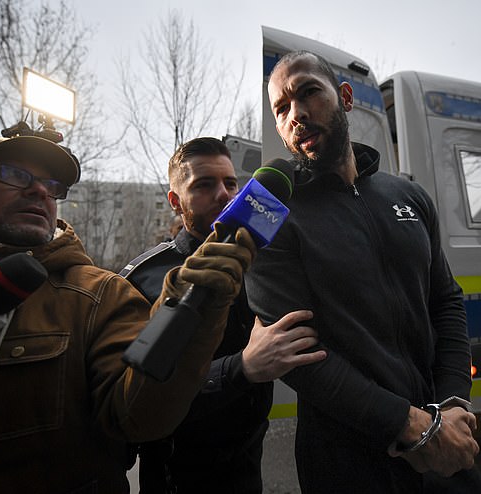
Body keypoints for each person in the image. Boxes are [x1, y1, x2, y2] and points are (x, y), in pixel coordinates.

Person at [0, 134, 256, 493]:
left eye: (51, 185)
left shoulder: (101, 295)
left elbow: (138, 415)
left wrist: (193, 313)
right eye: (13, 174)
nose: (40, 192)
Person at [245, 51, 481, 493]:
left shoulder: (409, 196)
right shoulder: (270, 214)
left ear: (345, 97)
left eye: (308, 93)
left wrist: (452, 405)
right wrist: (408, 424)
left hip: (442, 442)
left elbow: (446, 301)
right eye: (281, 109)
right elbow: (300, 357)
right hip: (347, 461)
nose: (296, 114)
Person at [120, 137, 327, 493]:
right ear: (175, 201)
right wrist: (242, 368)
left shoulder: (262, 265)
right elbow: (136, 400)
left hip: (249, 472)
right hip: (174, 480)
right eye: (203, 185)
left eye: (231, 183)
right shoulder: (143, 279)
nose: (224, 194)